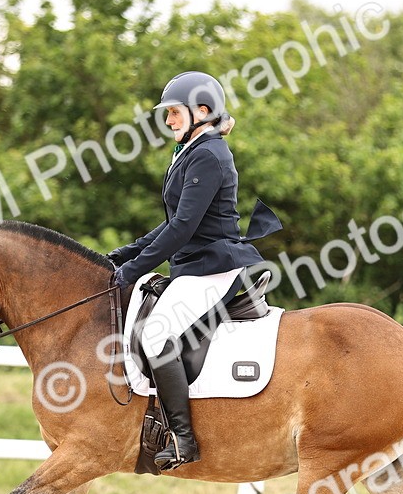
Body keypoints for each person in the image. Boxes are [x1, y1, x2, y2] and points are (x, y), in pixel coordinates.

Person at [108, 71, 282, 471]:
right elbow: (173, 220)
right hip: (194, 266)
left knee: (155, 335)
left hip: (212, 268)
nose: (167, 121)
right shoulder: (191, 150)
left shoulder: (209, 153)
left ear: (201, 111)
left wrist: (135, 269)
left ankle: (183, 439)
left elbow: (182, 228)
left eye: (173, 113)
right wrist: (125, 254)